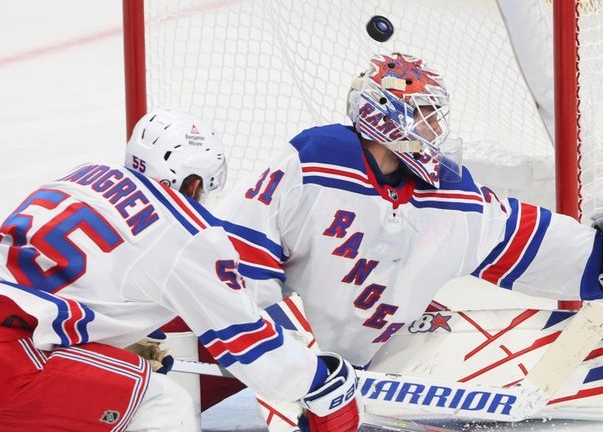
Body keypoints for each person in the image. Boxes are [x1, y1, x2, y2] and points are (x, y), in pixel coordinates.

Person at [216, 52, 603, 370]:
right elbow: (239, 246)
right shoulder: (316, 161)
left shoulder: (450, 190)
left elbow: (517, 237)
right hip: (282, 353)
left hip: (379, 363)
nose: (437, 129)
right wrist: (279, 359)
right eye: (425, 114)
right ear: (384, 116)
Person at [0, 109, 360, 432]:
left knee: (110, 396)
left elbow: (49, 286)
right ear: (193, 183)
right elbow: (246, 341)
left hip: (19, 344)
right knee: (163, 405)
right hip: (13, 361)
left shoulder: (84, 177)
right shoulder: (187, 232)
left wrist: (104, 345)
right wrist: (318, 379)